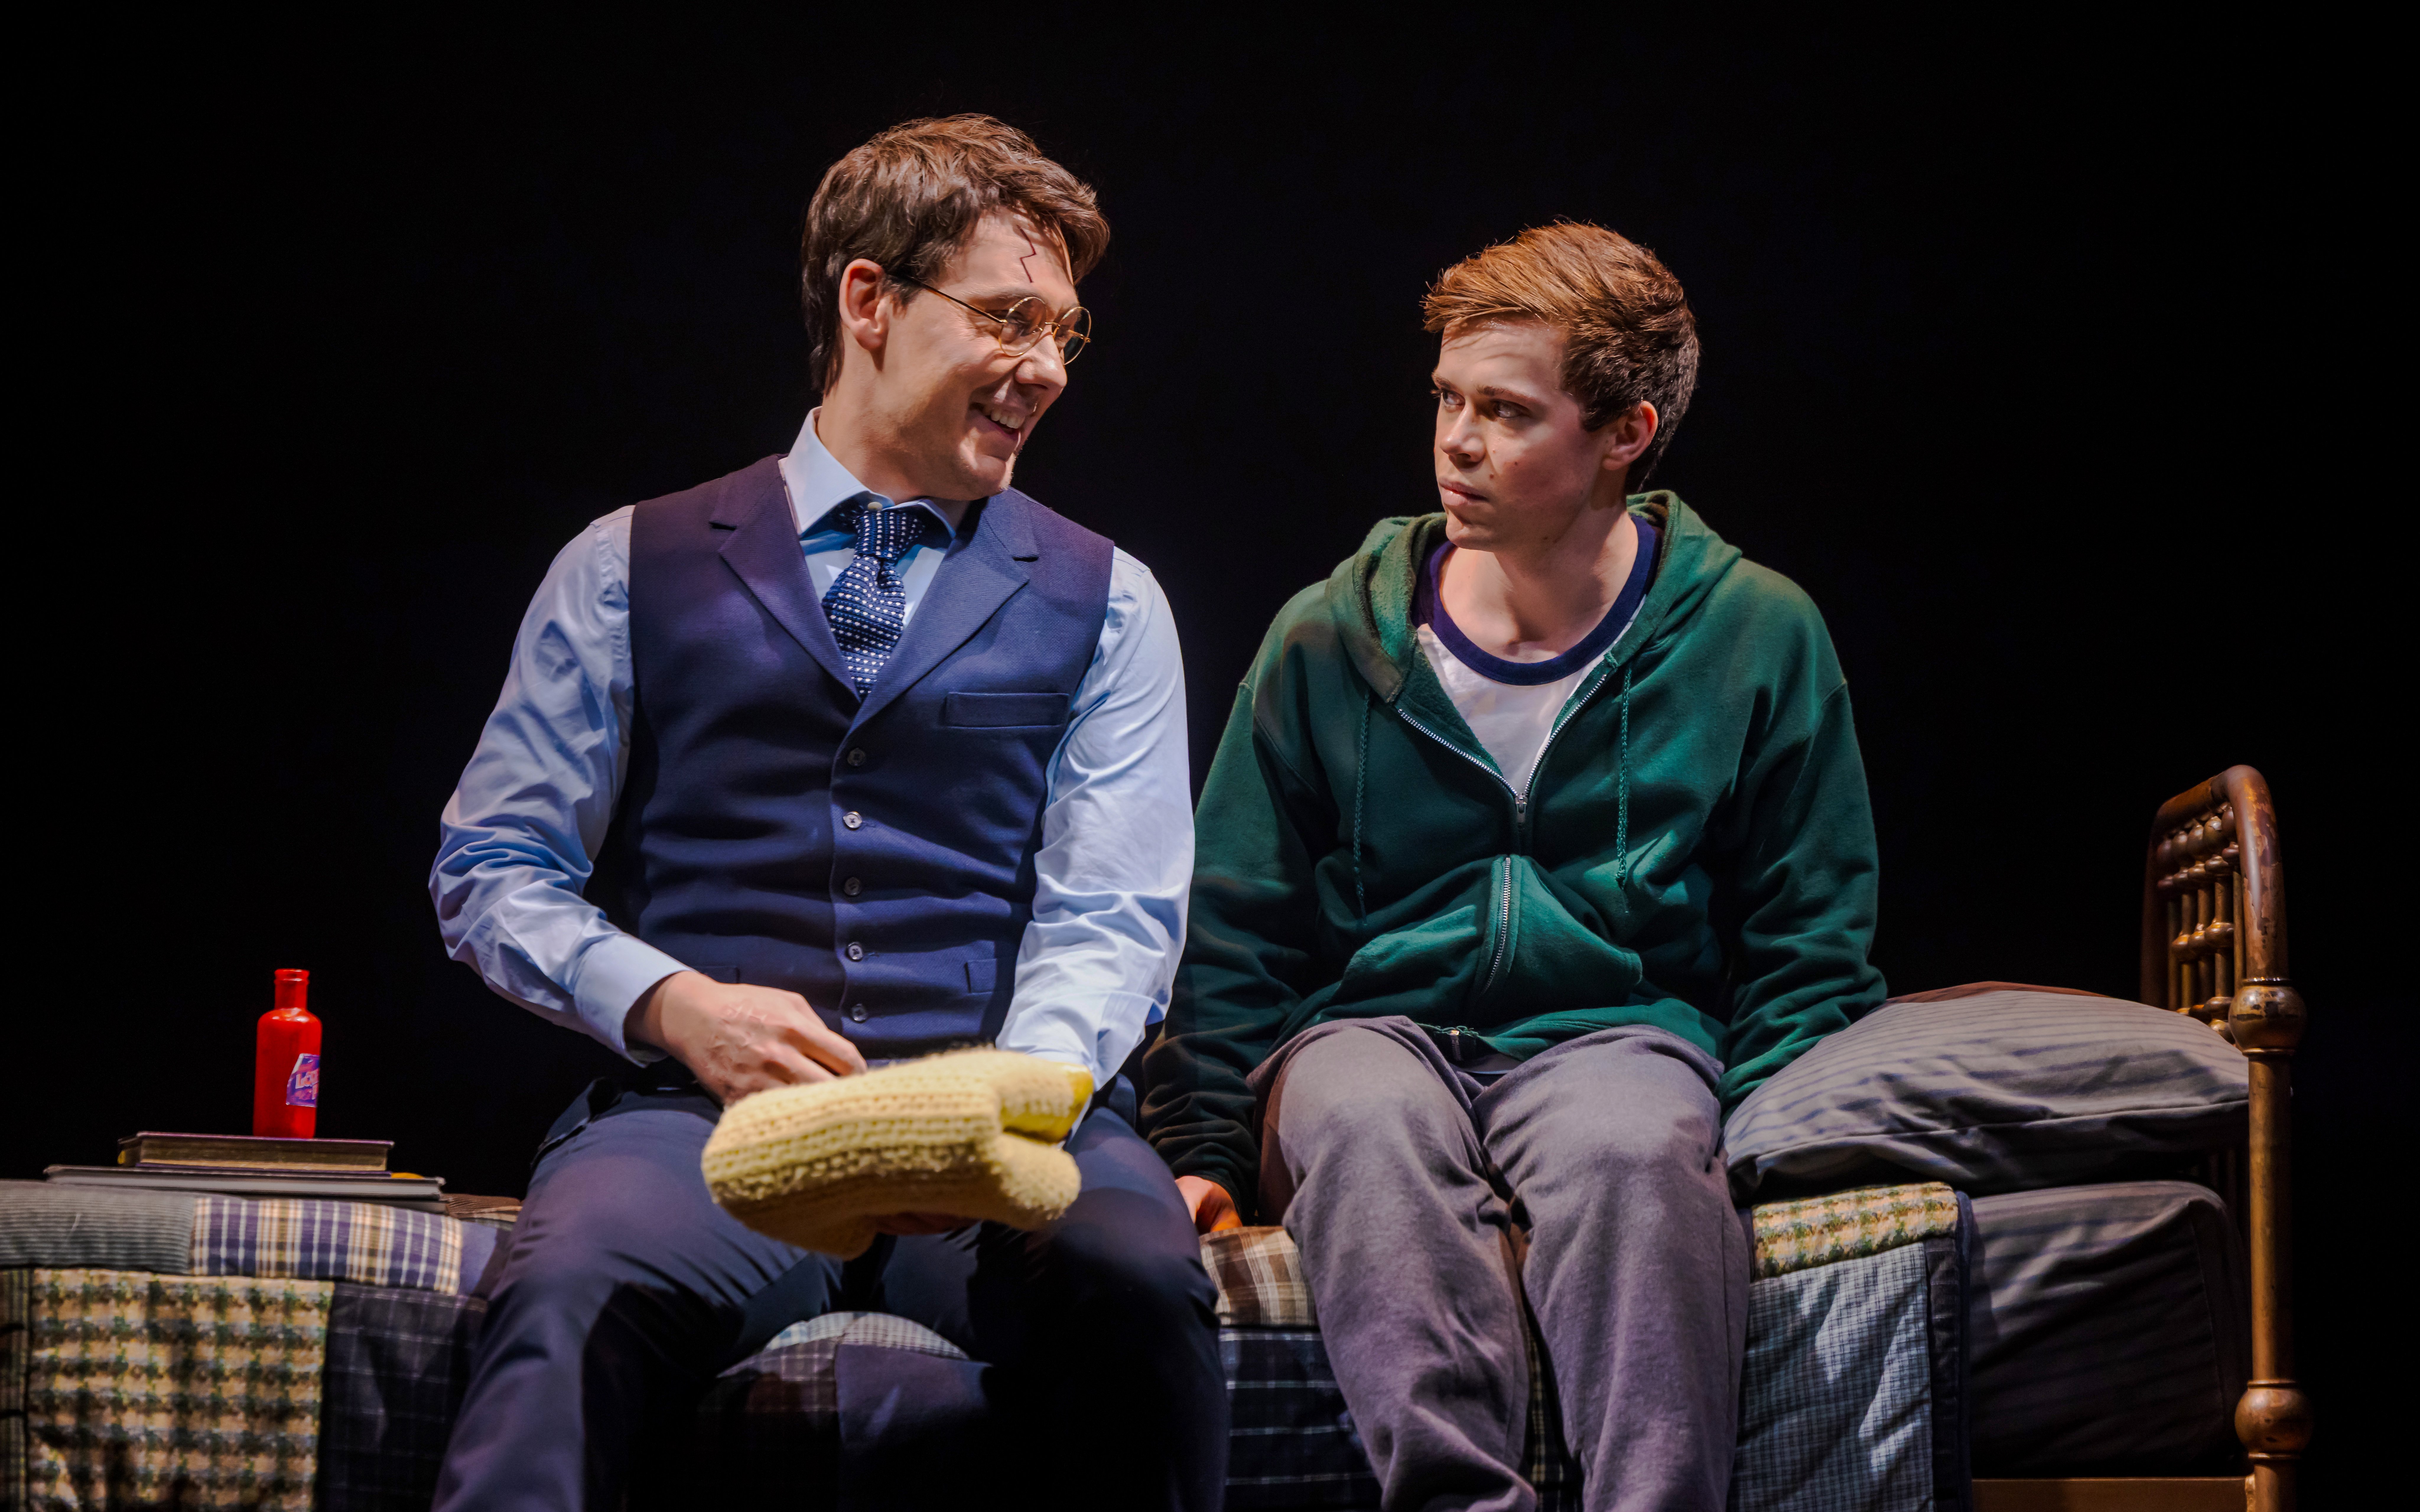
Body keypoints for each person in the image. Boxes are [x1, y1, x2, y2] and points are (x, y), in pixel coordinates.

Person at [430, 115, 1224, 1511]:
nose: (1048, 366)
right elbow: (495, 864)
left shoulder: (1110, 600)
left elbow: (1112, 915)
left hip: (1007, 1124)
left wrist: (989, 1108)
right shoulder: (625, 563)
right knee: (568, 1294)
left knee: (1135, 1280)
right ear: (871, 300)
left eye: (1065, 333)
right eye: (1010, 318)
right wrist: (677, 1004)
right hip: (700, 1128)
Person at [1142, 221, 1887, 1512]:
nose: (1457, 440)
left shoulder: (1755, 632)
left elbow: (1808, 932)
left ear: (1625, 433)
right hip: (1372, 1030)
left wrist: (1767, 1134)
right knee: (1363, 1124)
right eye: (1447, 398)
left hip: (1619, 1033)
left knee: (1634, 1149)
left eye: (1506, 410)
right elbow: (1237, 923)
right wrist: (1202, 1140)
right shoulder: (1327, 635)